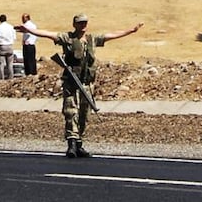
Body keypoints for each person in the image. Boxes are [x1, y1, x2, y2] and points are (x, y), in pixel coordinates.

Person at [16, 13, 144, 158]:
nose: (83, 26)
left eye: (85, 23)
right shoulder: (67, 38)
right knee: (71, 112)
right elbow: (47, 34)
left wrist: (131, 31)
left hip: (87, 84)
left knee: (84, 113)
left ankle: (79, 143)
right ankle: (71, 143)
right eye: (80, 23)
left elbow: (111, 35)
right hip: (72, 82)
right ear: (74, 24)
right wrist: (29, 30)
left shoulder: (92, 39)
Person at [0, 14, 16, 80]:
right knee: (10, 64)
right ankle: (11, 78)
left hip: (2, 46)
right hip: (10, 46)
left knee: (1, 64)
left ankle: (1, 78)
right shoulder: (11, 27)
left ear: (0, 20)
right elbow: (14, 37)